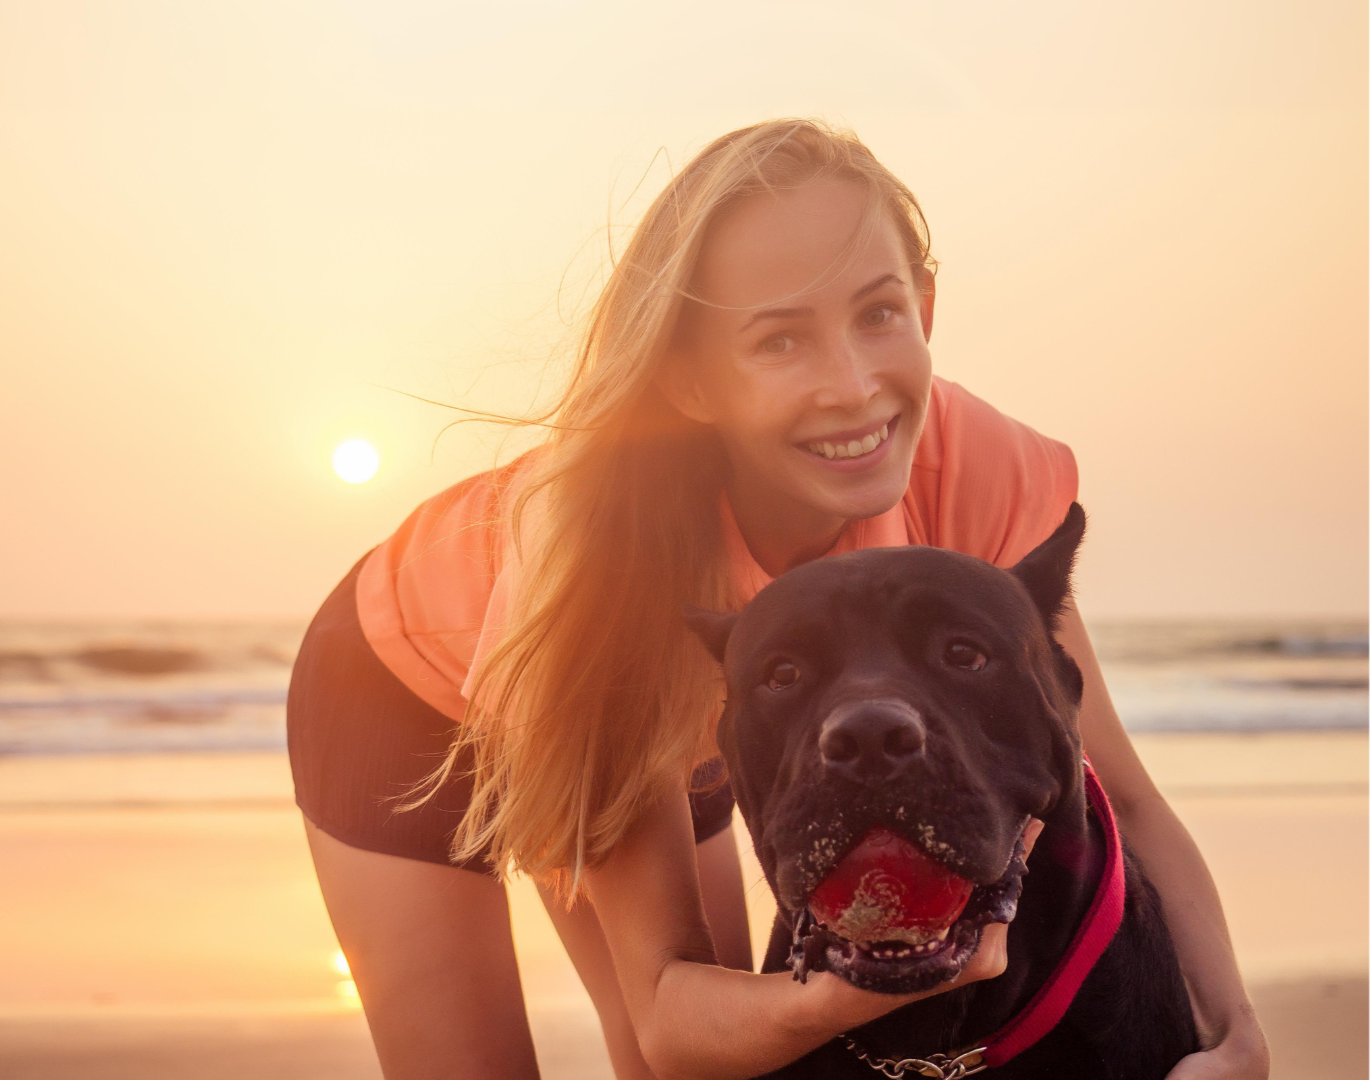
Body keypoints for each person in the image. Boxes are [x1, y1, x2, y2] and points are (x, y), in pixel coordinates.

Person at [287, 120, 1267, 1079]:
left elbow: (1122, 797)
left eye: (877, 312)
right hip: (408, 691)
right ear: (687, 379)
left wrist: (1232, 1033)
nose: (851, 386)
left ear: (924, 306)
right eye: (779, 340)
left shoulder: (970, 467)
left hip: (693, 693)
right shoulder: (606, 576)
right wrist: (862, 987)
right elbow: (671, 1016)